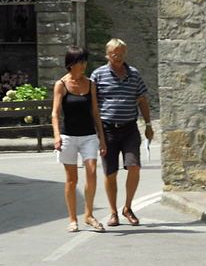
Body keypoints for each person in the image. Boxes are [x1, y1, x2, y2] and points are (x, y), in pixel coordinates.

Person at [91, 38, 154, 228]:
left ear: (125, 54)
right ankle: (113, 212)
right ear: (107, 54)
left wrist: (149, 124)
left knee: (134, 166)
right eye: (113, 54)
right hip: (108, 129)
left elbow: (142, 99)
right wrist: (98, 134)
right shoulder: (98, 75)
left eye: (120, 53)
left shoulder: (134, 74)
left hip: (129, 128)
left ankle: (127, 207)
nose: (117, 57)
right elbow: (93, 105)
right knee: (110, 173)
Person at [51, 46, 107, 233]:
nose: (84, 65)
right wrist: (57, 135)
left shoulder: (90, 84)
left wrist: (102, 139)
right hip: (68, 136)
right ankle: (72, 219)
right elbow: (55, 113)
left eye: (85, 62)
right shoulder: (61, 84)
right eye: (81, 62)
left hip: (88, 136)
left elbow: (95, 113)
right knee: (72, 179)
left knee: (91, 171)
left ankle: (89, 215)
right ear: (71, 64)